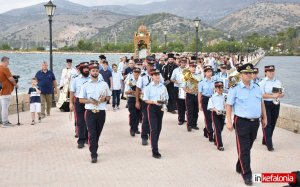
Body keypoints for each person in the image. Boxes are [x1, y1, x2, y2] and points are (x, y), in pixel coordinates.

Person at [226, 63, 267, 186]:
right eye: (246, 73)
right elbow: (229, 105)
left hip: (255, 122)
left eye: (250, 73)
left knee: (248, 146)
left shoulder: (257, 87)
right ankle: (247, 174)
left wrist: (264, 116)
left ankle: (240, 165)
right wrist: (228, 121)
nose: (249, 75)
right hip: (241, 122)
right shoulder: (235, 88)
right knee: (244, 149)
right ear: (241, 74)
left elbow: (261, 102)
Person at [79, 62, 111, 163]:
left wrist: (103, 99)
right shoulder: (85, 85)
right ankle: (93, 153)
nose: (95, 72)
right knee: (92, 133)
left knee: (97, 133)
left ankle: (94, 147)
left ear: (98, 72)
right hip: (90, 112)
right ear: (90, 72)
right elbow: (81, 100)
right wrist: (90, 101)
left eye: (97, 70)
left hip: (101, 111)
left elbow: (109, 96)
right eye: (93, 70)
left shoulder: (104, 84)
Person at [143, 68, 169, 159]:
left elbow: (166, 98)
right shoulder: (148, 87)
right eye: (155, 75)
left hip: (160, 108)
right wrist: (154, 102)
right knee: (153, 129)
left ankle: (154, 143)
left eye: (158, 75)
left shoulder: (163, 87)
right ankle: (155, 149)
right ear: (152, 77)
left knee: (159, 128)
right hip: (152, 108)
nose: (158, 76)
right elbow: (146, 100)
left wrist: (164, 104)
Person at [259, 65, 284, 151]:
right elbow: (261, 95)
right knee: (267, 123)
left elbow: (282, 93)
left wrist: (279, 95)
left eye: (272, 71)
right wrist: (272, 95)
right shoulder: (262, 82)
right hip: (266, 104)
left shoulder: (278, 82)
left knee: (273, 123)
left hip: (276, 104)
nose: (271, 73)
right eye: (269, 71)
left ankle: (265, 139)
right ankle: (269, 145)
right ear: (265, 72)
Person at [70, 62, 90, 148]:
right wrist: (71, 103)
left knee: (89, 120)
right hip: (79, 101)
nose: (86, 70)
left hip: (89, 101)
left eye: (87, 68)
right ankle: (81, 141)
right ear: (81, 69)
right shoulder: (75, 79)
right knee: (80, 121)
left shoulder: (92, 78)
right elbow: (72, 91)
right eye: (84, 68)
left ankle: (87, 138)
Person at [136, 58, 155, 146]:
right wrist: (137, 101)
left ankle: (152, 135)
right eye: (149, 65)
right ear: (146, 65)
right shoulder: (142, 75)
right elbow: (138, 88)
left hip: (155, 100)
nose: (151, 67)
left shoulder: (157, 74)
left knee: (154, 118)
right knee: (146, 118)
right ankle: (144, 136)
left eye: (152, 65)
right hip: (145, 100)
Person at [0, 56, 18, 127]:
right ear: (5, 61)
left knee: (2, 107)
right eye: (8, 62)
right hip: (6, 91)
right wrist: (16, 85)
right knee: (5, 108)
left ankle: (2, 121)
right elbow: (10, 78)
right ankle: (5, 122)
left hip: (1, 91)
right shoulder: (5, 69)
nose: (8, 63)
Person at [183, 62, 201, 132]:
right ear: (189, 67)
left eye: (194, 67)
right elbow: (183, 87)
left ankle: (194, 124)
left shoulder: (199, 75)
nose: (193, 68)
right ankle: (189, 125)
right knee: (190, 110)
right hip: (190, 95)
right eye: (192, 67)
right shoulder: (186, 76)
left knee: (196, 111)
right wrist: (188, 91)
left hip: (197, 95)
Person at [207, 81, 226, 151]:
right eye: (218, 88)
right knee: (217, 129)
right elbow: (210, 106)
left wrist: (225, 109)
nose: (220, 89)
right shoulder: (212, 97)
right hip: (215, 114)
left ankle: (216, 139)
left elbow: (227, 104)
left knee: (220, 129)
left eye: (221, 87)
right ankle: (220, 145)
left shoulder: (225, 96)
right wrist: (215, 110)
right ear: (215, 89)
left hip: (223, 114)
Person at [198, 65, 215, 141]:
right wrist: (200, 103)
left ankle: (206, 129)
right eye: (208, 71)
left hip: (213, 100)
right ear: (205, 73)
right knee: (207, 117)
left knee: (212, 117)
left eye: (210, 71)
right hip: (205, 100)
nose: (209, 73)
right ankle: (210, 134)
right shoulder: (201, 83)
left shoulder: (214, 82)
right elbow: (200, 93)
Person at [125, 67, 141, 136]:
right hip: (131, 99)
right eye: (135, 72)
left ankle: (136, 128)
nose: (136, 74)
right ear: (133, 73)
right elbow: (126, 92)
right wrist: (133, 92)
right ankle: (132, 129)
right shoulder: (130, 81)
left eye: (138, 73)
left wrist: (136, 92)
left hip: (140, 99)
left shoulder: (141, 81)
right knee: (133, 114)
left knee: (138, 114)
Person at [171, 56, 187, 125]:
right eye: (182, 62)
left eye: (184, 63)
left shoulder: (188, 70)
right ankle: (180, 119)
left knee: (185, 105)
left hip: (185, 89)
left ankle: (183, 118)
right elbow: (171, 79)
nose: (183, 64)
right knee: (180, 104)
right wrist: (175, 81)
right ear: (180, 63)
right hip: (178, 88)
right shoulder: (176, 70)